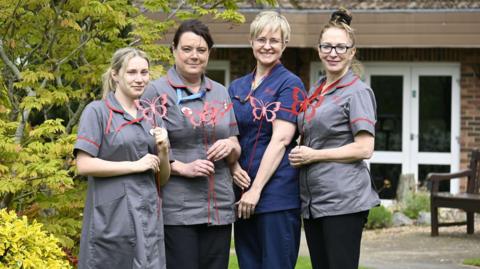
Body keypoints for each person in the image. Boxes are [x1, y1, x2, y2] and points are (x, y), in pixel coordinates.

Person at [142, 19, 241, 269]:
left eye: (201, 50)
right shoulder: (155, 92)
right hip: (177, 208)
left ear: (209, 53)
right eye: (187, 49)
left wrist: (230, 146)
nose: (194, 56)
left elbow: (235, 143)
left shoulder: (220, 91)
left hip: (218, 206)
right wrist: (181, 167)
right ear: (173, 50)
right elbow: (145, 148)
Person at [288, 8, 380, 269]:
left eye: (341, 47)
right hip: (315, 201)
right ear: (318, 50)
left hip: (343, 201)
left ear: (352, 52)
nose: (333, 52)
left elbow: (365, 148)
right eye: (327, 46)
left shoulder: (357, 92)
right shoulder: (317, 89)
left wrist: (314, 155)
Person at [75, 47, 170, 269]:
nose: (139, 79)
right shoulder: (97, 112)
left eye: (144, 73)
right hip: (111, 219)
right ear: (115, 75)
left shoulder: (152, 116)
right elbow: (83, 164)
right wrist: (135, 166)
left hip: (147, 217)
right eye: (132, 72)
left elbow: (163, 178)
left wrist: (164, 150)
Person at [228, 11, 306, 269]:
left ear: (284, 44)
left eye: (275, 40)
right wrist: (233, 167)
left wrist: (256, 190)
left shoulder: (290, 84)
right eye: (261, 39)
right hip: (242, 195)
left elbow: (281, 140)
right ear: (251, 42)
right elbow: (228, 135)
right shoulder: (237, 87)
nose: (267, 46)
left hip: (275, 197)